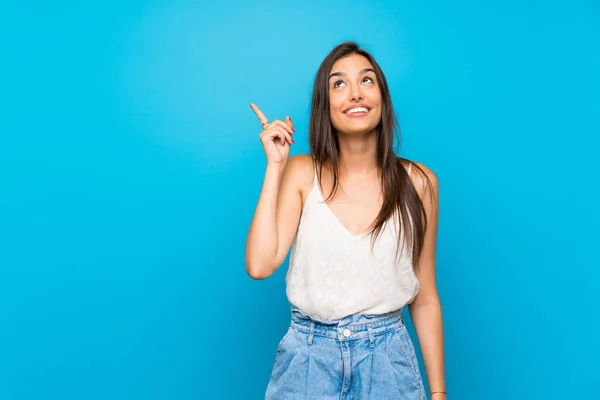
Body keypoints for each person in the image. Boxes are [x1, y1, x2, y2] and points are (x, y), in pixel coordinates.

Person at [245, 41, 446, 400]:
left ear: (382, 97)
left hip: (387, 365)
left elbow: (425, 296)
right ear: (326, 107)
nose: (355, 93)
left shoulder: (420, 184)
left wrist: (438, 394)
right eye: (339, 84)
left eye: (366, 81)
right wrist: (275, 168)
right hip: (307, 362)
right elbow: (260, 265)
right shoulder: (300, 173)